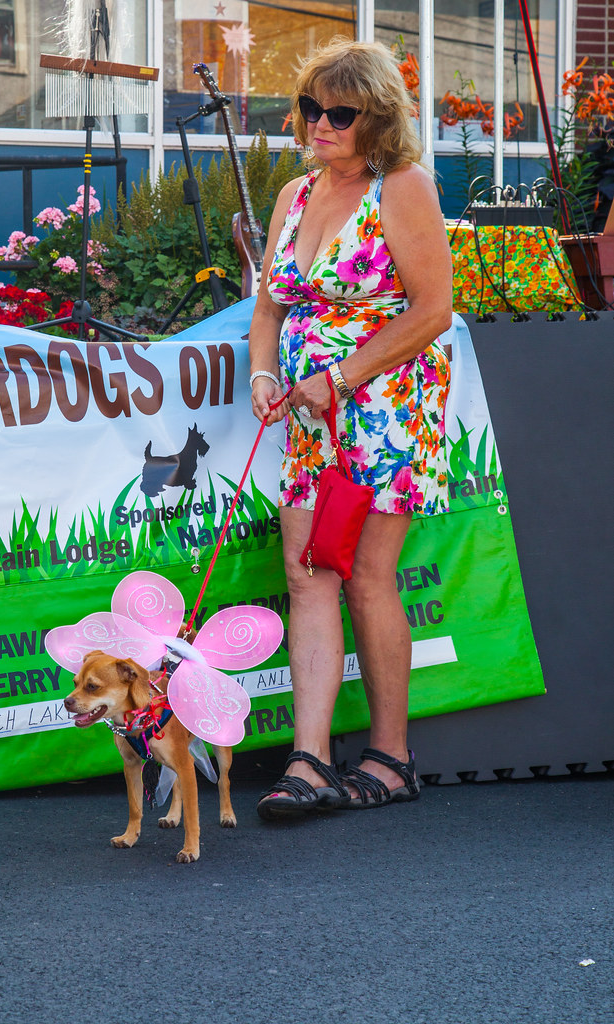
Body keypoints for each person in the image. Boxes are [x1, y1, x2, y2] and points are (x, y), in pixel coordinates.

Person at [249, 38, 452, 820]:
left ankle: (390, 758)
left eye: (340, 113)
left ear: (377, 119)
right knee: (307, 573)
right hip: (309, 415)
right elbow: (268, 307)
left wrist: (337, 378)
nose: (319, 124)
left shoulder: (401, 186)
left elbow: (432, 310)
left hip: (385, 409)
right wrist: (264, 375)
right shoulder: (294, 194)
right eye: (310, 108)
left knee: (366, 576)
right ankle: (307, 760)